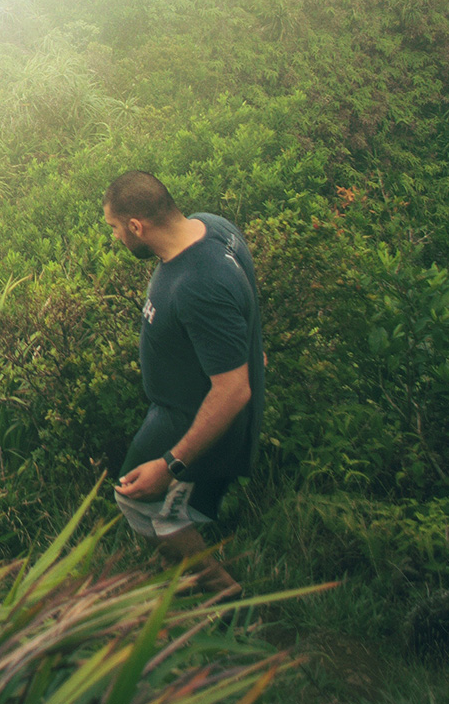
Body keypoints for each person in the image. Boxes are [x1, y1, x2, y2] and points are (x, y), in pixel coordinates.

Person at [104, 171, 264, 599]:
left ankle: (223, 595)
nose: (116, 237)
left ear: (137, 226)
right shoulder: (213, 226)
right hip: (180, 404)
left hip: (191, 417)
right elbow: (241, 302)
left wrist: (172, 463)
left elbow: (232, 391)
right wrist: (248, 351)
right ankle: (175, 562)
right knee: (163, 508)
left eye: (115, 228)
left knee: (137, 499)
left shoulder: (200, 284)